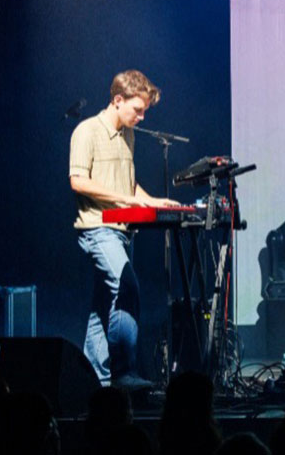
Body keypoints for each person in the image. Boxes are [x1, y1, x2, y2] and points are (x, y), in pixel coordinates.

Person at [68, 69, 176, 390]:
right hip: (96, 227)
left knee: (104, 305)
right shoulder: (86, 131)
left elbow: (129, 185)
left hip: (120, 230)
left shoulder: (128, 135)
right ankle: (123, 372)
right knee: (127, 286)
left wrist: (154, 202)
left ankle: (95, 382)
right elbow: (78, 181)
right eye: (137, 109)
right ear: (118, 100)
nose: (142, 117)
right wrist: (125, 198)